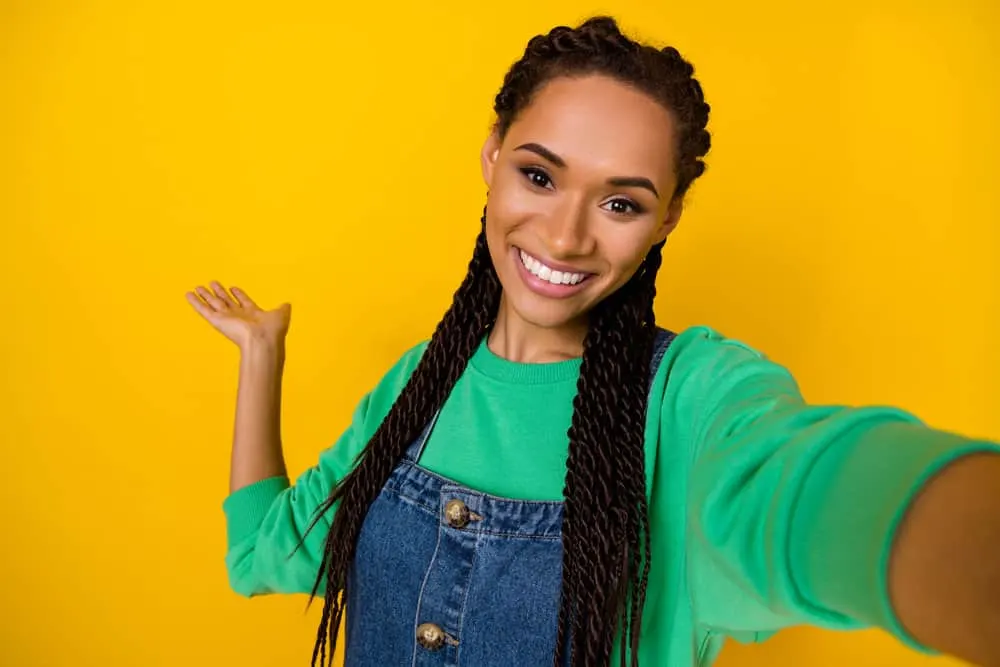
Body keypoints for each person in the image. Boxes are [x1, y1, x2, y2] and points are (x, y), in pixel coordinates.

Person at [186, 16, 1000, 667]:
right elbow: (263, 553)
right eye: (539, 176)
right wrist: (262, 355)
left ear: (670, 215)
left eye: (622, 204)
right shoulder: (419, 384)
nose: (567, 236)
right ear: (492, 155)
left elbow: (813, 496)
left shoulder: (691, 401)